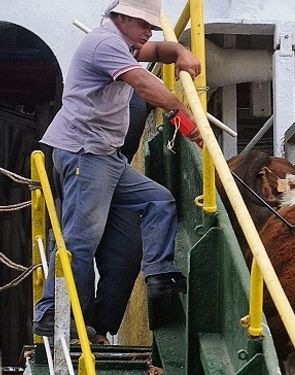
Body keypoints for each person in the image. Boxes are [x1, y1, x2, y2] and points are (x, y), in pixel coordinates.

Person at [33, 0, 202, 338]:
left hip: (106, 157)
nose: (148, 33)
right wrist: (181, 113)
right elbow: (142, 83)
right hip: (84, 153)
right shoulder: (105, 43)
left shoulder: (125, 42)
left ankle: (159, 278)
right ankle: (57, 315)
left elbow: (159, 49)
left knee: (158, 201)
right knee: (81, 241)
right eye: (144, 25)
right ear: (122, 18)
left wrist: (180, 51)